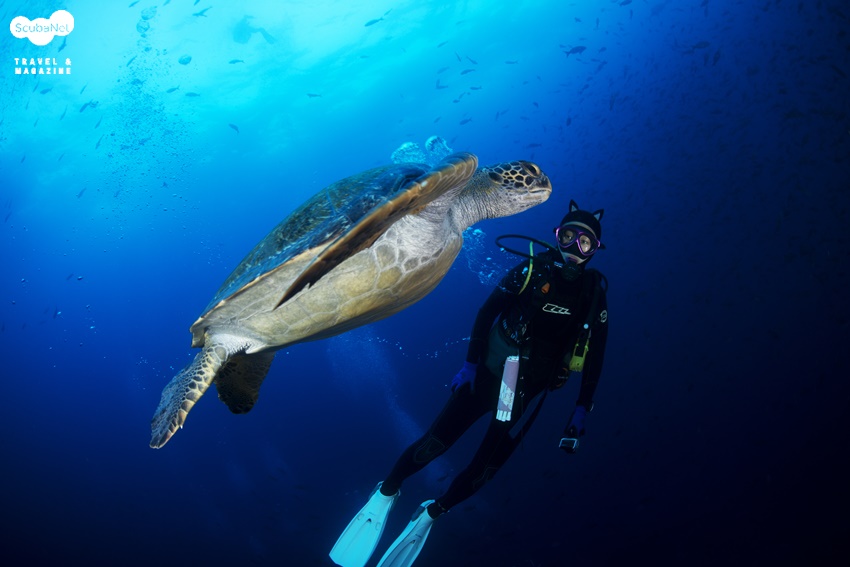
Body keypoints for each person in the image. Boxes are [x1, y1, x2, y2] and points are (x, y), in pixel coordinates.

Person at [330, 200, 609, 567]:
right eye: (568, 236)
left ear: (595, 249)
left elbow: (596, 354)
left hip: (522, 392)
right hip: (491, 373)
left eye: (585, 242)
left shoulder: (593, 294)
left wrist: (581, 407)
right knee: (434, 443)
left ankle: (432, 513)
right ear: (556, 236)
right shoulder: (530, 270)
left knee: (485, 468)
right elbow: (486, 312)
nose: (574, 248)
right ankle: (386, 493)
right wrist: (469, 366)